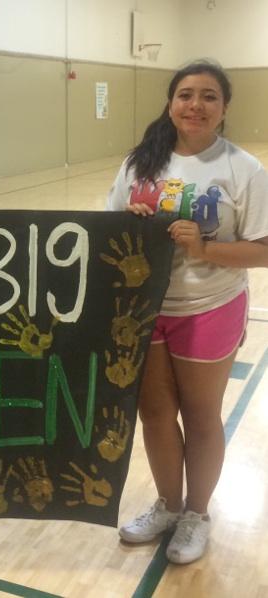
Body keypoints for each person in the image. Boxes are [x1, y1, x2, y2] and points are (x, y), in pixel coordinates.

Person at [106, 61, 268, 564]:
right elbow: (106, 232)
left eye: (208, 97)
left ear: (224, 107)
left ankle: (196, 514)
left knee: (200, 417)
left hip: (209, 306)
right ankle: (168, 505)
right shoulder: (140, 163)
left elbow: (264, 249)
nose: (195, 105)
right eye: (185, 95)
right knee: (154, 414)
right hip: (144, 308)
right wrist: (129, 226)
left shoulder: (244, 168)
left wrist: (206, 250)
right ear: (171, 102)